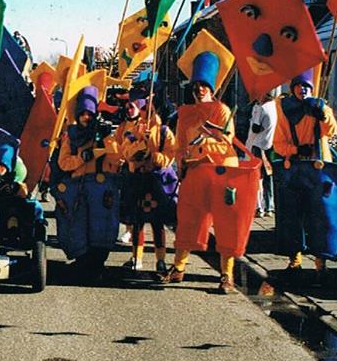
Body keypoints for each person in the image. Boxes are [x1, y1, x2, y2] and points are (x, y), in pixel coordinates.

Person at [159, 50, 259, 294]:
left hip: (222, 172)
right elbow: (180, 145)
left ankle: (227, 275)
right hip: (195, 172)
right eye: (196, 86)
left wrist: (207, 139)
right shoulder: (185, 113)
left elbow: (227, 141)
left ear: (211, 88)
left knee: (227, 224)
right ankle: (178, 267)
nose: (200, 90)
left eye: (204, 86)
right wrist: (182, 162)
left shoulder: (222, 111)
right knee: (188, 219)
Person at [272, 69, 337, 283]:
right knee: (293, 216)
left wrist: (323, 115)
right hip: (295, 168)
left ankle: (321, 265)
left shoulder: (321, 106)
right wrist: (295, 150)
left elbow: (331, 131)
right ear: (292, 87)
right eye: (298, 85)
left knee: (321, 216)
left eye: (306, 86)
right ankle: (294, 262)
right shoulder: (284, 109)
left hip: (319, 169)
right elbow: (278, 143)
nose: (302, 90)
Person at [52, 85, 122, 277]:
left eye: (89, 114)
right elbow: (64, 163)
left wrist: (107, 139)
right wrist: (83, 157)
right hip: (78, 188)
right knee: (77, 225)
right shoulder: (71, 135)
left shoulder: (104, 133)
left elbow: (117, 159)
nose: (86, 117)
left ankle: (98, 263)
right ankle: (82, 262)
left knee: (102, 225)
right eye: (82, 113)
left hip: (101, 186)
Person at [114, 85, 176, 275]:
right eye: (143, 110)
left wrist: (155, 156)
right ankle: (137, 258)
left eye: (150, 110)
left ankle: (160, 260)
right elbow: (126, 151)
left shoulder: (164, 131)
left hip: (156, 181)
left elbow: (169, 156)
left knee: (158, 222)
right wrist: (141, 145)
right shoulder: (135, 130)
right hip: (137, 179)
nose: (146, 113)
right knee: (137, 221)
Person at [247, 92, 277, 217]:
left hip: (258, 146)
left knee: (258, 177)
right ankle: (269, 206)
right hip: (271, 145)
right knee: (269, 176)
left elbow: (255, 128)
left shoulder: (260, 108)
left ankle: (259, 207)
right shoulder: (275, 106)